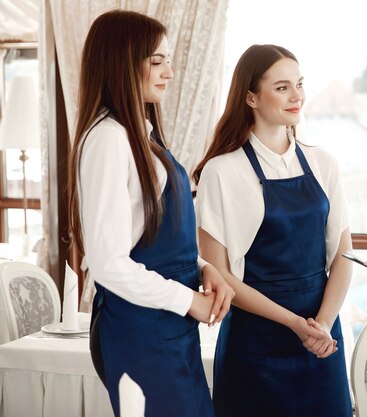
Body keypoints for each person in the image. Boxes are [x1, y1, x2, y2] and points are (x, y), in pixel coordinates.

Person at [67, 10, 234, 417]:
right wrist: (188, 301)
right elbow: (108, 265)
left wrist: (202, 268)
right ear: (123, 62)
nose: (170, 73)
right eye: (157, 61)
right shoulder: (108, 139)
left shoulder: (142, 133)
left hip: (169, 330)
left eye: (169, 60)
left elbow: (147, 233)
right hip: (139, 331)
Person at [193, 44, 353, 417]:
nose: (296, 95)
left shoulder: (323, 163)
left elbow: (343, 256)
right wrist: (295, 324)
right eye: (282, 87)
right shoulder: (222, 172)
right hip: (255, 348)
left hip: (322, 339)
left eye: (299, 84)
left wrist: (322, 324)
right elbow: (221, 278)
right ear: (250, 96)